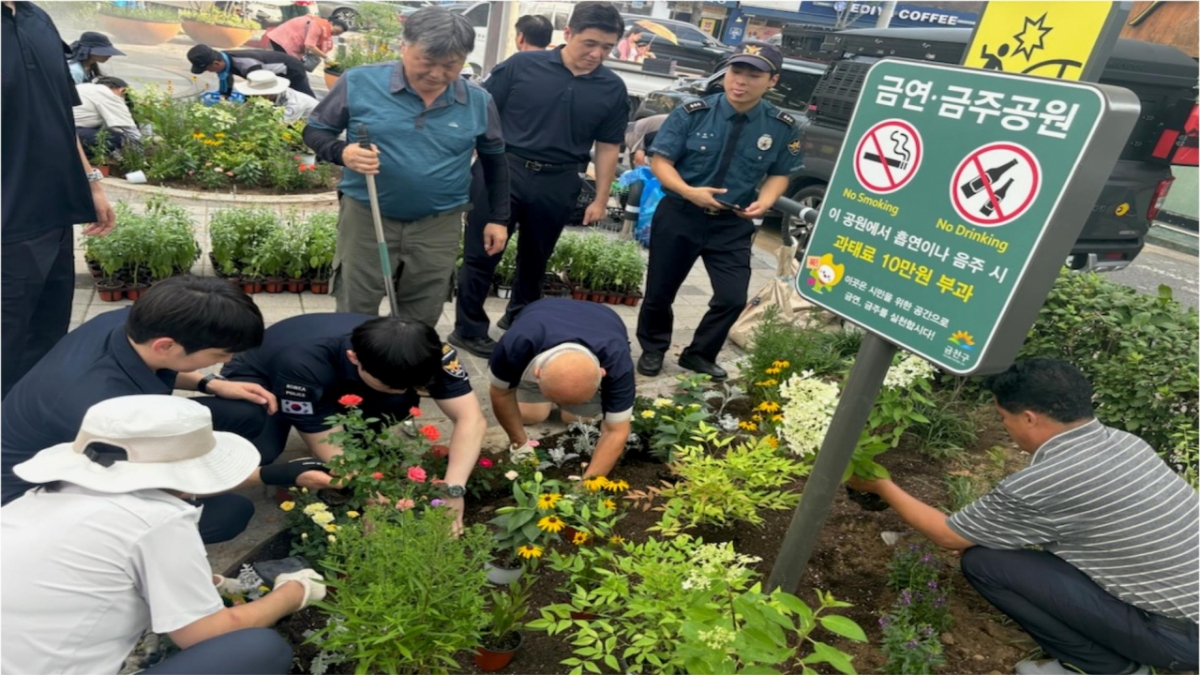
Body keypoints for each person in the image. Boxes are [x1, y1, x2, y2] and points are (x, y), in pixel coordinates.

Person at [849, 359, 1199, 675]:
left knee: (985, 562)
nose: (1005, 428)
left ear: (1029, 417)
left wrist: (881, 485)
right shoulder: (1126, 443)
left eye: (1004, 419)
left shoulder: (1047, 481)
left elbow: (948, 536)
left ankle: (1104, 667)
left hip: (1182, 640)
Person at [2, 395, 326, 675]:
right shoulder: (156, 522)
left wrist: (208, 582)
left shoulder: (39, 498)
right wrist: (293, 593)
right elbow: (205, 635)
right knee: (258, 649)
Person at [1, 276, 333, 543]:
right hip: (37, 493)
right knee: (228, 514)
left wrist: (212, 383)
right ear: (166, 344)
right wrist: (272, 475)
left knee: (247, 412)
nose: (228, 362)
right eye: (220, 354)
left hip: (109, 441)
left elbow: (163, 366)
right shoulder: (101, 407)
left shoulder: (132, 322)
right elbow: (165, 484)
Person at [304, 7, 509, 327]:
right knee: (356, 306)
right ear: (404, 47)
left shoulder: (478, 101)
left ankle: (407, 373)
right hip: (367, 216)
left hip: (438, 223)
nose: (437, 74)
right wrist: (342, 152)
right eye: (427, 62)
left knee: (422, 312)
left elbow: (495, 161)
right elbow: (315, 130)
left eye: (451, 66)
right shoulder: (359, 82)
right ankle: (351, 369)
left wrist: (498, 217)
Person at [449, 2, 628, 359]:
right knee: (482, 254)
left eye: (607, 48)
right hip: (502, 170)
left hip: (559, 179)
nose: (597, 54)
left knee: (537, 258)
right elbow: (479, 118)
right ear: (568, 34)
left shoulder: (612, 88)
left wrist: (601, 198)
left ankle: (523, 321)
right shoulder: (520, 66)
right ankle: (468, 329)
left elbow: (608, 146)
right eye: (589, 43)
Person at [219, 313, 487, 530]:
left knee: (395, 405)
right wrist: (369, 490)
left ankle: (354, 434)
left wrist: (454, 490)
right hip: (261, 374)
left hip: (339, 376)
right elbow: (319, 436)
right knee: (260, 449)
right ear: (353, 357)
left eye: (410, 386)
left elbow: (470, 418)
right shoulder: (304, 361)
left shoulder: (430, 352)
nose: (401, 389)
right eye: (391, 385)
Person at [636, 41, 802, 381]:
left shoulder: (781, 126)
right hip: (680, 213)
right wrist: (688, 191)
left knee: (731, 296)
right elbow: (660, 161)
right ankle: (654, 348)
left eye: (752, 75)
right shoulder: (692, 112)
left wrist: (767, 201)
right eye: (735, 71)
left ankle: (699, 354)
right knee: (660, 292)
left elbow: (780, 174)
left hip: (732, 224)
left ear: (772, 81)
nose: (739, 81)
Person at [2, 2, 117, 399]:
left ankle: (26, 430)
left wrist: (91, 182)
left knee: (46, 335)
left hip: (54, 214)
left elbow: (60, 112)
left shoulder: (37, 19)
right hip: (7, 222)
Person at [488, 298, 634, 479]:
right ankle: (552, 395)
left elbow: (617, 430)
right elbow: (501, 393)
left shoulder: (618, 362)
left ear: (603, 373)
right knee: (531, 414)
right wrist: (519, 443)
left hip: (603, 319)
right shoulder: (516, 344)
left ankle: (566, 396)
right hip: (543, 313)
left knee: (576, 419)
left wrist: (588, 487)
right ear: (537, 373)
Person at [187, 43, 316, 98]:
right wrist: (224, 96)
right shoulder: (222, 59)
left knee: (303, 96)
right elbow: (225, 79)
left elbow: (258, 89)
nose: (208, 72)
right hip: (268, 71)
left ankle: (320, 118)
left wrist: (248, 104)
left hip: (291, 69)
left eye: (207, 69)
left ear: (215, 63)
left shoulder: (247, 65)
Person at [74, 75, 141, 154]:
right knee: (117, 138)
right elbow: (130, 129)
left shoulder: (84, 87)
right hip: (73, 133)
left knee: (103, 133)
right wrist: (140, 156)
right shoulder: (107, 93)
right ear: (122, 91)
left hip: (63, 130)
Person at [234, 70, 318, 123]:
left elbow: (280, 126)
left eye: (255, 94)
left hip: (316, 129)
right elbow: (241, 113)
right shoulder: (266, 98)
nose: (252, 97)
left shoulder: (293, 102)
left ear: (269, 94)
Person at [264, 14, 348, 61]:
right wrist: (326, 58)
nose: (334, 34)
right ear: (331, 23)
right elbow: (310, 45)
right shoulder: (318, 25)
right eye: (336, 31)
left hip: (287, 40)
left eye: (337, 34)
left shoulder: (323, 26)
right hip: (282, 39)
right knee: (285, 65)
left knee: (287, 65)